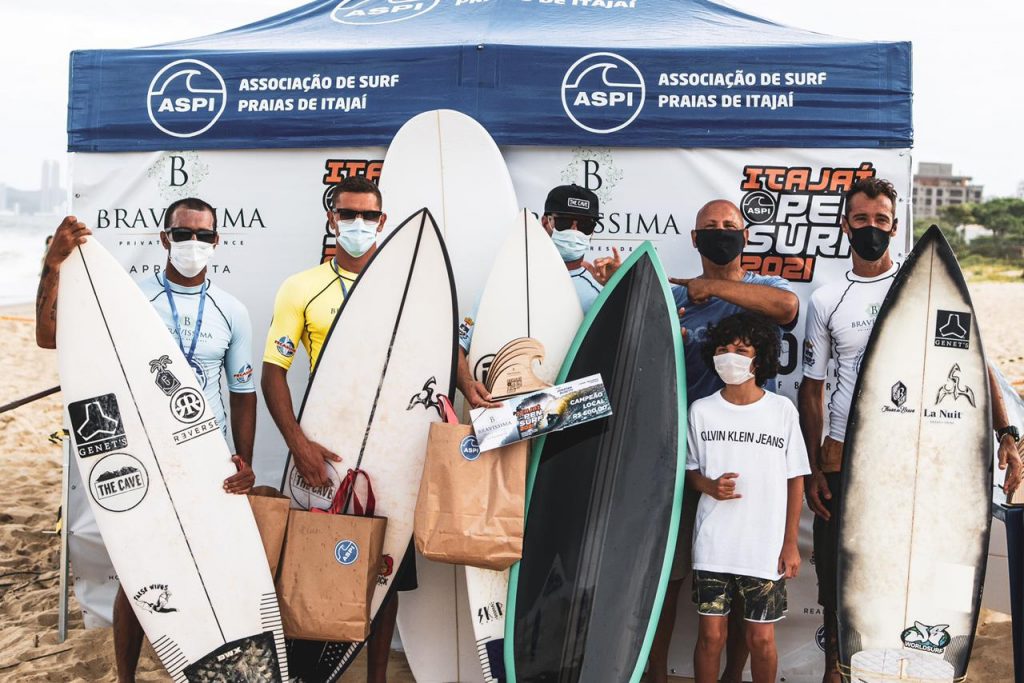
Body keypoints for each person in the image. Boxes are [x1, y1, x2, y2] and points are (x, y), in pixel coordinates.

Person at [799, 176, 1022, 683]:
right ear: (845, 225)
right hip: (842, 460)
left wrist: (1008, 436)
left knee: (917, 582)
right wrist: (813, 467)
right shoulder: (828, 298)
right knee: (841, 595)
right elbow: (811, 390)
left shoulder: (924, 291)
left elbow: (974, 365)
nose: (871, 228)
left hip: (915, 459)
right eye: (861, 220)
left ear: (895, 226)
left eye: (881, 220)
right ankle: (841, 673)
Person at [35, 199, 257, 683]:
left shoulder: (232, 311)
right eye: (182, 234)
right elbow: (50, 339)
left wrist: (245, 461)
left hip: (207, 460)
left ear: (217, 242)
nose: (192, 244)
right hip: (145, 461)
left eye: (202, 235)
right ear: (164, 238)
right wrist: (53, 267)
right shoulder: (129, 301)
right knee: (141, 577)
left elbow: (242, 394)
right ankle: (126, 676)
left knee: (218, 574)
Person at [260, 175, 408, 683]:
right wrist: (298, 445)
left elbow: (438, 342)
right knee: (318, 563)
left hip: (392, 443)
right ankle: (308, 673)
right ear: (332, 220)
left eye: (369, 216)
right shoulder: (302, 287)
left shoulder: (404, 288)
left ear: (382, 222)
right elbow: (272, 373)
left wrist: (465, 381)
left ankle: (377, 678)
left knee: (386, 563)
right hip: (328, 446)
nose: (359, 225)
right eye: (349, 215)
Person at [648, 199, 799, 683]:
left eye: (730, 226)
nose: (720, 233)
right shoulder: (674, 300)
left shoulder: (767, 287)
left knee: (742, 588)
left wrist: (711, 287)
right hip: (686, 462)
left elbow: (788, 309)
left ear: (746, 236)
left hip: (752, 471)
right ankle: (653, 674)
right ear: (694, 238)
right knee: (666, 580)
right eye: (710, 228)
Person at [686, 312, 808, 683]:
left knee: (761, 639)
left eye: (741, 349)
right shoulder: (701, 410)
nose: (730, 357)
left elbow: (796, 479)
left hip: (763, 546)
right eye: (723, 349)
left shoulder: (781, 410)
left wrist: (790, 544)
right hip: (713, 543)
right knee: (711, 637)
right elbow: (691, 472)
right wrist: (709, 486)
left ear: (760, 358)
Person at [456, 183, 620, 409]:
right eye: (564, 222)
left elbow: (617, 360)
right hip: (500, 417)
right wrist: (467, 385)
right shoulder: (504, 280)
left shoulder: (597, 296)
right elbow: (458, 345)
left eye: (584, 225)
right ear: (546, 223)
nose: (574, 232)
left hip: (563, 425)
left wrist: (618, 288)